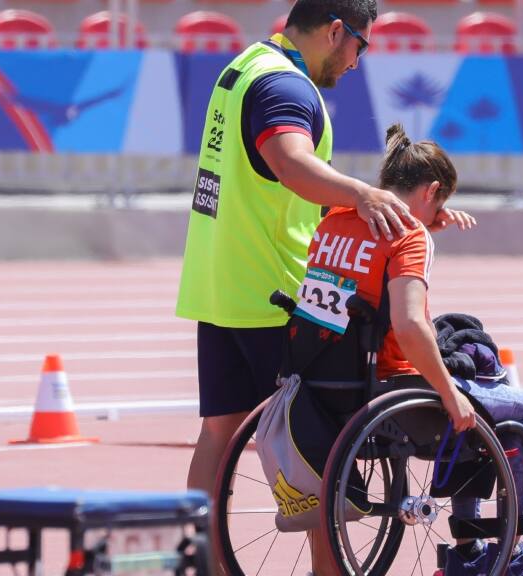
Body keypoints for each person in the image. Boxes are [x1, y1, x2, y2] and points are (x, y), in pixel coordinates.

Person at [175, 0, 420, 498]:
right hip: (279, 294)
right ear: (335, 32)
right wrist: (361, 193)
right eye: (360, 44)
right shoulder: (284, 84)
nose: (357, 61)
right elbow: (291, 163)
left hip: (221, 287)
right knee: (314, 439)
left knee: (218, 437)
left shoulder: (245, 65)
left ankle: (202, 563)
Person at [295, 123, 523, 575]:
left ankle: (472, 545)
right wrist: (449, 393)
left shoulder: (335, 220)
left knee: (466, 360)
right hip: (390, 392)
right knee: (519, 409)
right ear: (431, 190)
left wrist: (429, 222)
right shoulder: (409, 234)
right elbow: (408, 327)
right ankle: (487, 551)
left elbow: (367, 275)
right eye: (439, 202)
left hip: (324, 384)